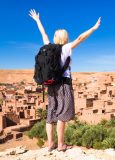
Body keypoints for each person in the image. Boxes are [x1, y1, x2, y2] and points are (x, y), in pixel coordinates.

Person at [29, 9, 101, 152]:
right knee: (62, 114)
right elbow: (80, 38)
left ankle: (50, 144)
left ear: (55, 38)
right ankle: (61, 145)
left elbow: (43, 34)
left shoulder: (48, 47)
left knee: (51, 113)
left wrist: (37, 20)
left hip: (51, 85)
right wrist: (93, 28)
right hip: (63, 84)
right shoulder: (66, 48)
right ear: (66, 38)